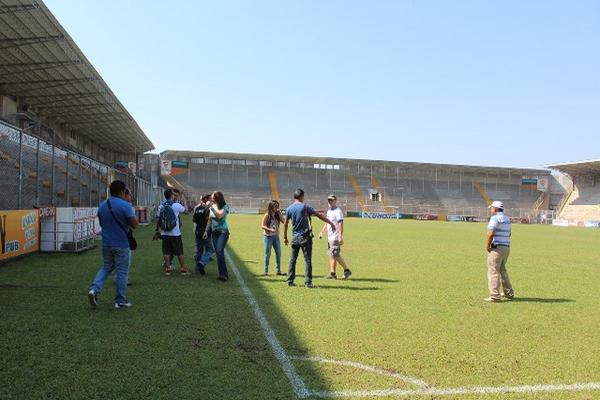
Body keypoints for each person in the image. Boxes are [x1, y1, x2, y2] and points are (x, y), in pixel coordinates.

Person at [88, 180, 138, 309]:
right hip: (121, 243)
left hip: (106, 243)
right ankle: (120, 301)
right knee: (122, 272)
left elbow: (102, 224)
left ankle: (94, 289)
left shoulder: (103, 205)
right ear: (122, 191)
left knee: (106, 267)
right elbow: (134, 225)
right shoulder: (125, 205)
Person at [283, 188, 336, 288]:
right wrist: (331, 223)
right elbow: (319, 215)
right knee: (307, 260)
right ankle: (308, 282)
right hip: (305, 237)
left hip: (295, 237)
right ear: (302, 196)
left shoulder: (289, 208)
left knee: (293, 259)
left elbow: (285, 224)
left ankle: (290, 280)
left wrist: (285, 237)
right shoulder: (305, 207)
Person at [484, 200, 514, 302]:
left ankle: (495, 296)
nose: (491, 210)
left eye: (492, 208)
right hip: (506, 247)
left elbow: (490, 233)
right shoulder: (507, 219)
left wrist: (488, 246)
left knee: (493, 271)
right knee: (502, 270)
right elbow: (509, 234)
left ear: (496, 209)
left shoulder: (494, 218)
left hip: (497, 248)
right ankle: (509, 292)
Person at [157, 188, 191, 276]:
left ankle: (168, 268)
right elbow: (187, 212)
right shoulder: (176, 205)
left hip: (165, 233)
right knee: (179, 251)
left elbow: (159, 219)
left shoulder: (161, 206)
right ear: (171, 195)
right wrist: (184, 201)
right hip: (175, 233)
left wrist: (159, 230)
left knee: (166, 251)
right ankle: (183, 269)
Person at [319, 194, 352, 280]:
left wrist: (340, 236)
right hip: (330, 237)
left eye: (331, 200)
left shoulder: (338, 211)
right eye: (329, 200)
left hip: (335, 237)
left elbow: (340, 224)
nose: (330, 202)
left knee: (335, 255)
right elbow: (327, 222)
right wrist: (322, 232)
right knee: (332, 255)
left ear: (335, 201)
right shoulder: (329, 211)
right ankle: (332, 273)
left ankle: (347, 270)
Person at [209, 191, 231, 281]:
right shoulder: (213, 206)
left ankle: (224, 274)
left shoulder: (225, 206)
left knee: (219, 251)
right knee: (218, 253)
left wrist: (212, 208)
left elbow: (219, 216)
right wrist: (206, 231)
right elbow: (210, 219)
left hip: (223, 232)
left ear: (217, 198)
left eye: (213, 198)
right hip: (214, 232)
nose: (211, 199)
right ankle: (221, 274)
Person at [261, 200, 285, 276]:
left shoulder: (277, 214)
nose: (277, 207)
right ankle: (265, 271)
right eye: (275, 206)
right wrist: (270, 229)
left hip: (276, 237)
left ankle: (278, 271)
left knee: (278, 253)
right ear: (271, 206)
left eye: (278, 206)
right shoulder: (267, 215)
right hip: (268, 237)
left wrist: (280, 213)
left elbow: (284, 221)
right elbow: (262, 226)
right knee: (267, 254)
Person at [192, 193, 213, 275]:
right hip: (205, 231)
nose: (211, 200)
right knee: (209, 249)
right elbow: (209, 220)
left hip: (198, 231)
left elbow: (194, 219)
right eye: (209, 199)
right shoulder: (207, 209)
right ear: (206, 199)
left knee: (199, 250)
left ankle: (197, 269)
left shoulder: (197, 208)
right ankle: (202, 262)